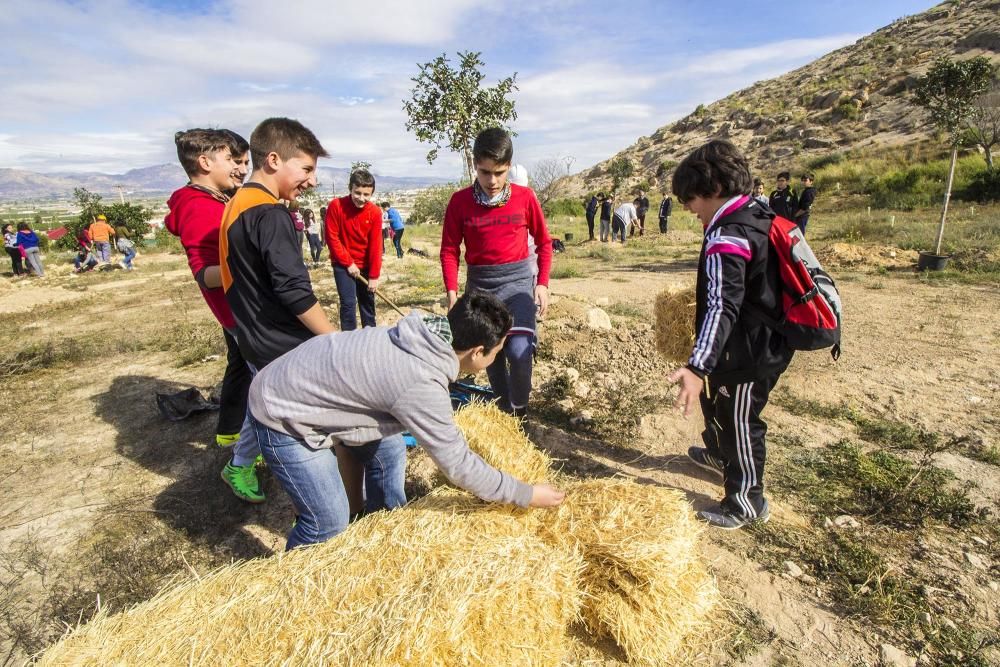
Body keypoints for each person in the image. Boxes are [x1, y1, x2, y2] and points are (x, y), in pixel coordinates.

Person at [248, 291, 565, 550]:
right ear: (478, 352)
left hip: (297, 379)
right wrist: (527, 494)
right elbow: (459, 466)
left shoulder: (422, 333)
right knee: (327, 522)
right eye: (498, 351)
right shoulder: (420, 384)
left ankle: (378, 532)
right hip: (282, 412)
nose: (497, 357)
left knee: (389, 452)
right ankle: (294, 584)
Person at [668, 139, 794, 530]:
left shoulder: (728, 237)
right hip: (747, 344)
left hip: (748, 353)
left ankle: (745, 500)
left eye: (691, 200)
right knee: (720, 406)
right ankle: (721, 456)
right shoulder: (756, 212)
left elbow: (723, 306)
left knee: (740, 418)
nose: (689, 209)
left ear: (715, 190)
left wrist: (696, 366)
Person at [219, 118, 339, 506]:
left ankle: (241, 462)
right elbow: (293, 291)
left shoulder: (238, 203)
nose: (312, 180)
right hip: (282, 346)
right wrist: (336, 339)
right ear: (273, 160)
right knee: (303, 431)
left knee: (263, 407)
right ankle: (318, 511)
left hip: (254, 337)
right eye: (306, 168)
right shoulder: (270, 214)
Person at [165, 128, 258, 500]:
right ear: (205, 162)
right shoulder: (198, 206)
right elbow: (205, 272)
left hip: (240, 313)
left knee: (251, 378)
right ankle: (241, 462)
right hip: (240, 314)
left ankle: (234, 438)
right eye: (232, 161)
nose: (240, 169)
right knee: (271, 390)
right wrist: (259, 269)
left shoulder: (215, 199)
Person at [440, 128, 552, 419]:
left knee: (518, 351)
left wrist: (542, 284)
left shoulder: (525, 198)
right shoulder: (460, 202)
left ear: (509, 166)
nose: (492, 181)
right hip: (480, 291)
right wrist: (452, 293)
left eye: (500, 173)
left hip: (517, 286)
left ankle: (520, 412)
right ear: (475, 164)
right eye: (485, 172)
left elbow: (544, 243)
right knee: (490, 354)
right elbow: (449, 250)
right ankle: (505, 414)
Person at [324, 169, 383, 331]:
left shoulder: (375, 212)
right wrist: (348, 263)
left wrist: (374, 275)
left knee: (367, 304)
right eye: (357, 193)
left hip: (365, 265)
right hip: (342, 264)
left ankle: (370, 337)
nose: (361, 198)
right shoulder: (336, 206)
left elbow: (376, 246)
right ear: (350, 188)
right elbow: (332, 238)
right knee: (348, 304)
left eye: (366, 194)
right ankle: (348, 342)